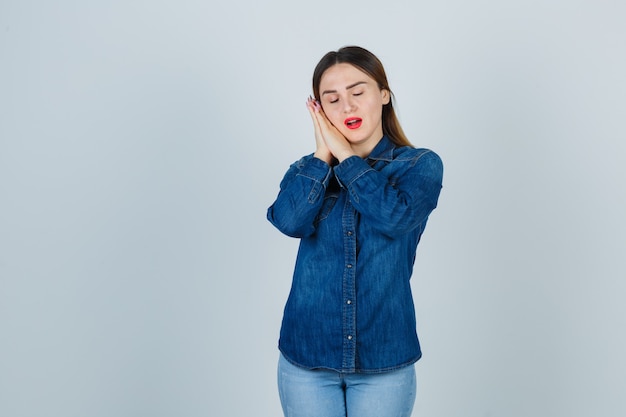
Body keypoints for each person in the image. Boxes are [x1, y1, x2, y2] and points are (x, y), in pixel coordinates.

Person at [267, 46, 443, 417]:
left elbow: (393, 218)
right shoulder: (306, 170)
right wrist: (322, 158)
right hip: (306, 360)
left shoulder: (419, 165)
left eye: (357, 92)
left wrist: (346, 157)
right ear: (319, 110)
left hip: (384, 361)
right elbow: (287, 222)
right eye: (332, 99)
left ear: (383, 94)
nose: (346, 107)